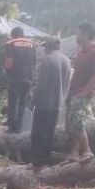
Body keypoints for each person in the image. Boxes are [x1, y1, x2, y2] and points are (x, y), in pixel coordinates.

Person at [30, 37, 72, 166]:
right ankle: (46, 159)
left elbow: (41, 84)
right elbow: (66, 83)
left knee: (37, 133)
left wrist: (33, 101)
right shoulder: (66, 60)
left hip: (44, 102)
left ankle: (37, 161)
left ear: (48, 47)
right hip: (57, 102)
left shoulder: (47, 60)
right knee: (49, 132)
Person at [65, 23, 95, 162]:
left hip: (83, 94)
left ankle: (87, 150)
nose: (76, 36)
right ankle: (74, 152)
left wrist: (85, 92)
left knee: (78, 121)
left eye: (78, 33)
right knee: (72, 123)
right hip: (74, 92)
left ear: (86, 34)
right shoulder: (80, 52)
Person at [4, 27, 38, 133]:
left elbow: (9, 62)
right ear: (23, 35)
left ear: (13, 35)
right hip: (28, 78)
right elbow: (34, 62)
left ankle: (11, 127)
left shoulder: (11, 43)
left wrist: (7, 72)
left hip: (16, 77)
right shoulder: (31, 45)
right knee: (23, 102)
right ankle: (19, 127)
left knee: (13, 102)